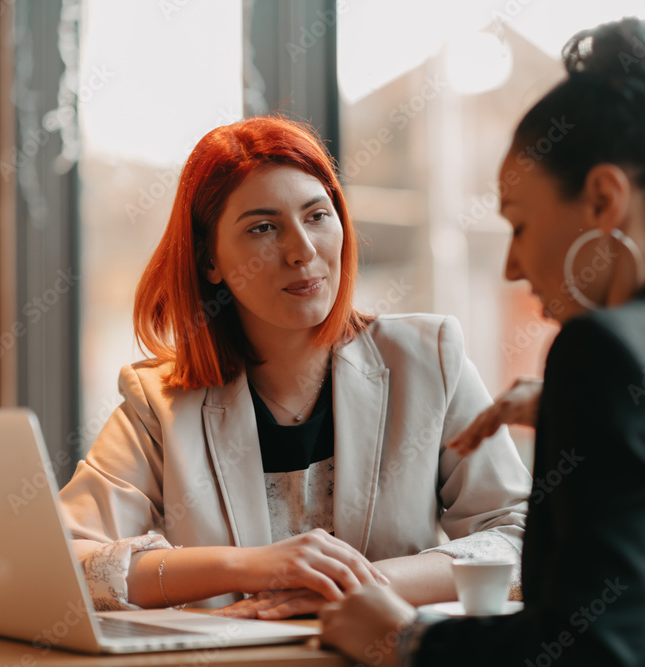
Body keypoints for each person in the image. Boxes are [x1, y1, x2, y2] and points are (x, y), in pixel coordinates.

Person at [319, 17, 645, 666]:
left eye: (519, 225)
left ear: (603, 200)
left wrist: (404, 637)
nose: (513, 267)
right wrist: (608, 421)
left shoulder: (602, 351)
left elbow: (586, 650)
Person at [58, 115, 531, 617]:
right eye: (264, 227)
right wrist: (250, 566)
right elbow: (67, 562)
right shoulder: (159, 402)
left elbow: (518, 536)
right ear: (209, 261)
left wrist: (354, 585)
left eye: (317, 216)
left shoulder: (429, 358)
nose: (303, 251)